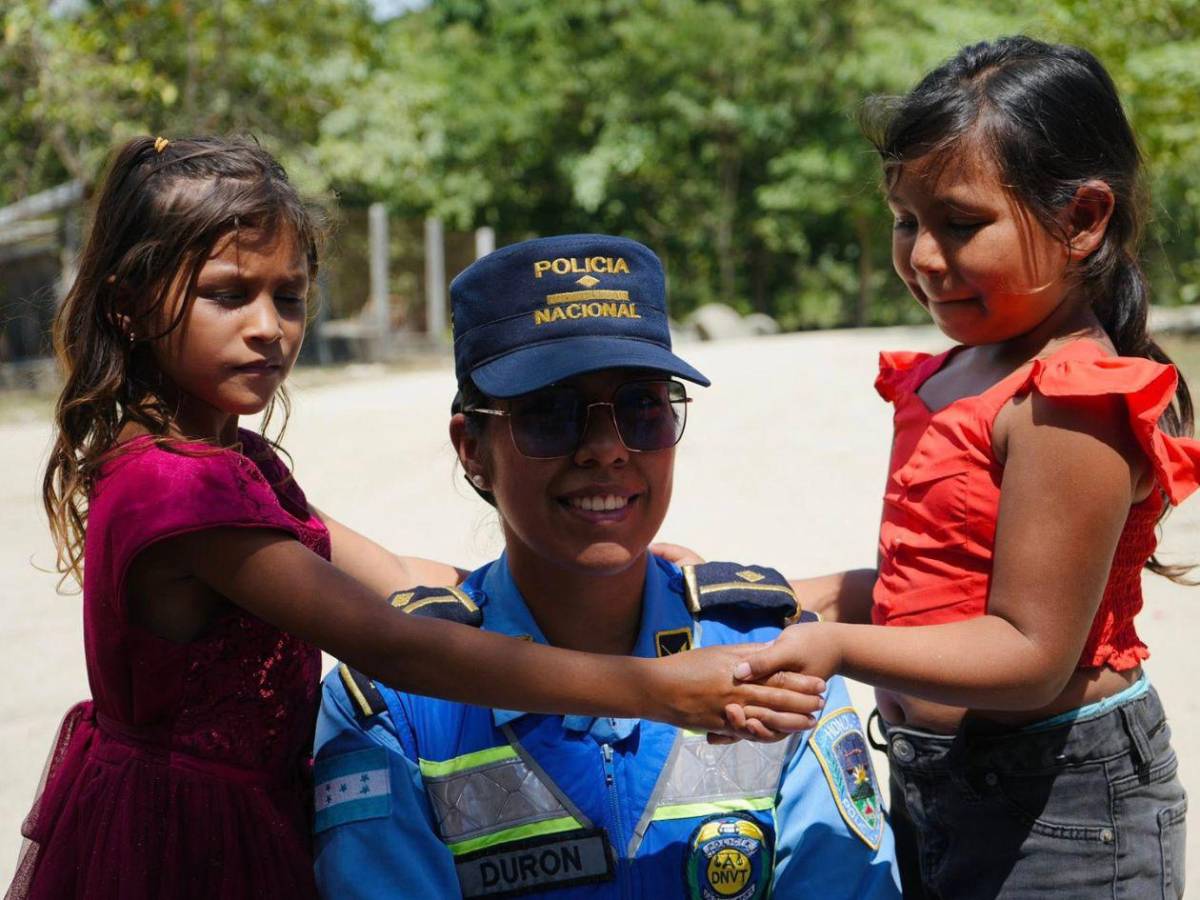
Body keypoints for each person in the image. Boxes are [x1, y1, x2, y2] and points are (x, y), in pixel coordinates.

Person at [9, 138, 823, 900]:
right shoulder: (180, 490)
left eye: (289, 297)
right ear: (127, 305)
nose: (269, 328)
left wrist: (625, 577)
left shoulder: (230, 461)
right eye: (228, 295)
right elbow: (394, 643)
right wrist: (654, 688)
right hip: (186, 848)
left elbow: (399, 580)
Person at [734, 37, 1198, 899]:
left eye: (961, 223)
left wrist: (834, 647)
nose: (924, 258)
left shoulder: (1069, 400)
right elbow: (936, 590)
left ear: (1082, 220)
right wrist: (762, 596)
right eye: (907, 221)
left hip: (1061, 812)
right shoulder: (957, 372)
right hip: (939, 789)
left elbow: (1028, 652)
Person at [312, 234, 901, 899]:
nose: (606, 448)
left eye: (642, 408)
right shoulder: (394, 706)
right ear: (471, 448)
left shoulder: (775, 657)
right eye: (550, 414)